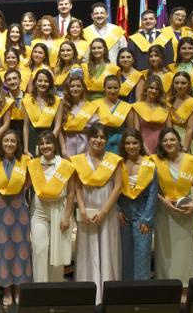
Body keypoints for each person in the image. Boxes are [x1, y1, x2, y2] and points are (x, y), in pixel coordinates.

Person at [73, 125, 123, 304]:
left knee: (107, 248)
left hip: (107, 211)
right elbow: (77, 187)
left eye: (102, 137)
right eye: (95, 137)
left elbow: (117, 187)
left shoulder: (114, 160)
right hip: (87, 210)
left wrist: (104, 211)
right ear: (89, 138)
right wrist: (83, 209)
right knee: (87, 249)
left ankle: (108, 294)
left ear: (106, 140)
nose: (98, 140)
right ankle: (89, 294)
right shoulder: (79, 161)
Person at [152, 128, 193, 286]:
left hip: (186, 210)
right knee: (165, 250)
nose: (169, 143)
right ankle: (165, 285)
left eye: (172, 139)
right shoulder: (155, 161)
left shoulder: (191, 161)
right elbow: (150, 188)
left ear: (179, 142)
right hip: (164, 210)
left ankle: (186, 287)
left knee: (185, 249)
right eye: (165, 140)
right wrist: (163, 201)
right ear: (161, 143)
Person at [0, 130, 33, 309]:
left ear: (17, 144)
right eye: (6, 141)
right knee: (3, 250)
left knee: (21, 248)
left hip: (19, 208)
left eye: (13, 141)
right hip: (1, 207)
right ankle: (6, 289)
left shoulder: (25, 161)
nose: (9, 144)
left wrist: (21, 189)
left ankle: (19, 288)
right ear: (1, 143)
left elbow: (31, 179)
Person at [27, 131, 75, 283]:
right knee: (39, 249)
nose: (45, 146)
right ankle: (39, 290)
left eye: (48, 143)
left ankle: (55, 289)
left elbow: (71, 193)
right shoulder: (33, 165)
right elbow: (25, 187)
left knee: (57, 254)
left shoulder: (65, 165)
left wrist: (67, 216)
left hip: (59, 210)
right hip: (39, 211)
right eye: (42, 143)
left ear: (55, 145)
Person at [117, 128, 158, 281]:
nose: (131, 146)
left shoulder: (149, 165)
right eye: (128, 143)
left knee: (142, 255)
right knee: (125, 255)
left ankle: (141, 292)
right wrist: (118, 210)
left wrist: (147, 219)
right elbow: (114, 191)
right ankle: (126, 291)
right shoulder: (119, 164)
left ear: (141, 144)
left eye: (135, 143)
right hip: (124, 216)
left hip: (142, 217)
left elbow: (153, 195)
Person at [22, 69, 62, 154]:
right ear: (35, 82)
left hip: (50, 139)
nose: (43, 84)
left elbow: (58, 126)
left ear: (50, 84)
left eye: (46, 81)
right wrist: (25, 149)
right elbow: (26, 126)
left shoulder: (57, 101)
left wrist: (48, 143)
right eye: (40, 81)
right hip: (32, 139)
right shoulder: (27, 100)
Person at [91, 75, 134, 155]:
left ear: (119, 88)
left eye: (115, 88)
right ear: (104, 88)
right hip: (100, 143)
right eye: (109, 88)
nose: (113, 91)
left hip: (120, 144)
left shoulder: (127, 107)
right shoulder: (95, 104)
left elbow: (130, 130)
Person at [58, 75, 99, 158]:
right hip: (68, 145)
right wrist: (63, 149)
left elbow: (95, 130)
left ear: (83, 88)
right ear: (68, 88)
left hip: (86, 145)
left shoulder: (90, 106)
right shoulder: (63, 106)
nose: (75, 89)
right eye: (72, 86)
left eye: (78, 86)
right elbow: (60, 130)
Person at [132, 75, 172, 155]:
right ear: (146, 89)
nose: (153, 91)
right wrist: (147, 152)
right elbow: (137, 132)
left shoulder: (166, 107)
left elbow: (170, 130)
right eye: (151, 87)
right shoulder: (136, 106)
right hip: (143, 146)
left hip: (163, 146)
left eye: (156, 89)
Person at [169, 72, 193, 154]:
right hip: (170, 139)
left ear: (189, 84)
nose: (179, 86)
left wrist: (185, 148)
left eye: (183, 83)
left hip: (185, 139)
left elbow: (190, 128)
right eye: (176, 83)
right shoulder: (169, 100)